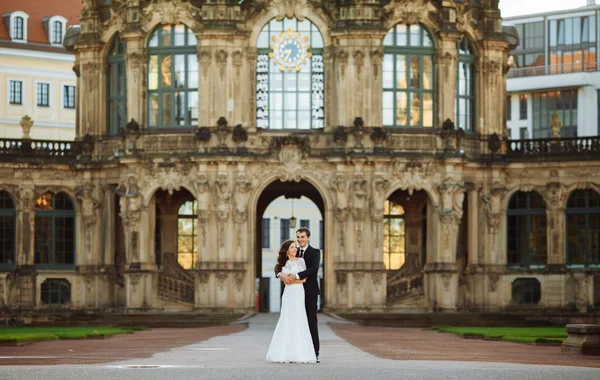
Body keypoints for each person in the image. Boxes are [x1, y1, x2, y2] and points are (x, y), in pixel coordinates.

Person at [266, 240, 316, 363]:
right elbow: (280, 275)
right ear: (287, 249)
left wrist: (289, 279)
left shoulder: (301, 261)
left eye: (295, 247)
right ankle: (284, 352)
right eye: (292, 247)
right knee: (287, 318)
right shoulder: (282, 263)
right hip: (288, 294)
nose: (295, 249)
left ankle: (299, 353)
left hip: (298, 292)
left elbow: (303, 279)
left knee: (299, 318)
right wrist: (282, 276)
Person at [276, 227, 321, 363]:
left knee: (311, 321)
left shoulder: (315, 252)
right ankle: (292, 351)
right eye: (298, 237)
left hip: (310, 292)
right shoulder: (293, 251)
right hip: (293, 293)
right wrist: (281, 274)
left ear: (308, 237)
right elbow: (278, 265)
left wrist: (295, 275)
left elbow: (314, 269)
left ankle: (314, 352)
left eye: (302, 237)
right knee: (293, 320)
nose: (300, 240)